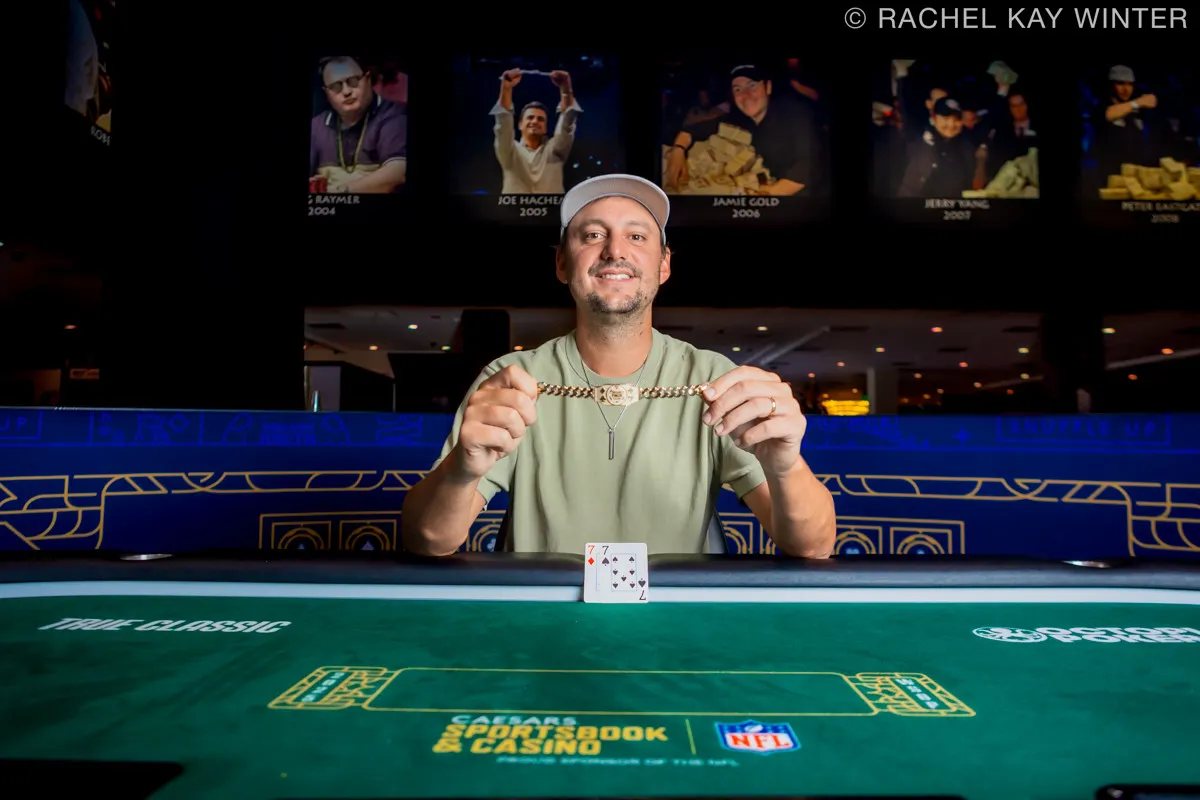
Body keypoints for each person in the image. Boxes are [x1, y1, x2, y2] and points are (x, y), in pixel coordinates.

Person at [401, 174, 837, 557]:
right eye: (592, 235)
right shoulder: (510, 382)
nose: (614, 250)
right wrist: (461, 470)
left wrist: (785, 467)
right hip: (542, 618)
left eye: (637, 237)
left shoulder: (715, 381)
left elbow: (813, 546)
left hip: (675, 620)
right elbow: (426, 541)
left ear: (664, 265)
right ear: (561, 263)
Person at [309, 56, 408, 194]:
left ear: (368, 79)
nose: (346, 92)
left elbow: (397, 173)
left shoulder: (394, 115)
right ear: (326, 92)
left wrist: (337, 193)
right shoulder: (316, 126)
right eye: (336, 86)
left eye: (353, 81)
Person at [491, 68, 581, 194]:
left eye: (540, 119)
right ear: (520, 124)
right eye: (530, 117)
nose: (535, 121)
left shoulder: (555, 150)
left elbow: (567, 123)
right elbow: (503, 123)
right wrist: (506, 89)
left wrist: (566, 90)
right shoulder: (509, 151)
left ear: (545, 127)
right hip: (513, 207)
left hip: (552, 207)